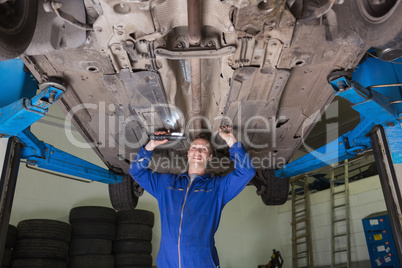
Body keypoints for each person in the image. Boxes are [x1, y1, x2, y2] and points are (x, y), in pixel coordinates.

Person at [129, 126, 256, 268]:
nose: (197, 151)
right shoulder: (166, 184)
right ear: (188, 153)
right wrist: (150, 145)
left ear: (210, 157)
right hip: (167, 263)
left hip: (203, 263)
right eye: (194, 147)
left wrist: (231, 141)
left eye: (204, 149)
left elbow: (247, 172)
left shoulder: (217, 188)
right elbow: (136, 171)